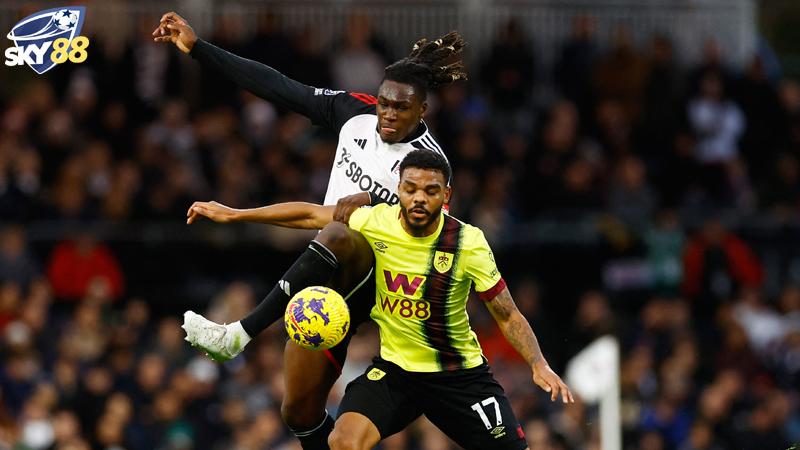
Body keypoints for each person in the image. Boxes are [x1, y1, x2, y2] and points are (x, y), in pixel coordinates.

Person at [153, 13, 466, 450]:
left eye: (401, 107)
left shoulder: (428, 169)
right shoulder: (355, 113)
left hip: (387, 284)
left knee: (341, 233)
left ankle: (236, 335)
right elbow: (279, 86)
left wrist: (376, 204)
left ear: (422, 110)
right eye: (384, 103)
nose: (388, 115)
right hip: (330, 271)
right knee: (298, 411)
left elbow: (422, 239)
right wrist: (199, 47)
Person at [189, 149, 574, 450]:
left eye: (430, 190)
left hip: (459, 377)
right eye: (410, 189)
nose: (419, 198)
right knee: (342, 441)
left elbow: (506, 314)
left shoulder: (468, 242)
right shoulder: (377, 220)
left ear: (447, 195)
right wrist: (236, 214)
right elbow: (309, 215)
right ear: (399, 189)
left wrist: (538, 364)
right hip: (396, 374)